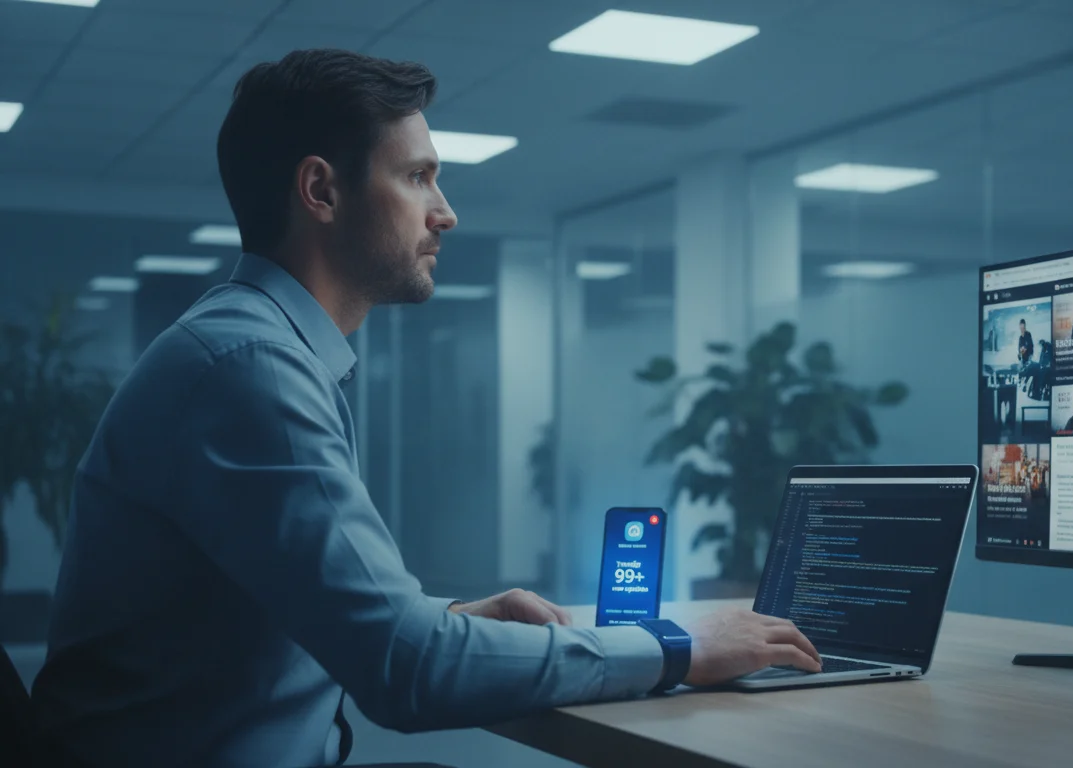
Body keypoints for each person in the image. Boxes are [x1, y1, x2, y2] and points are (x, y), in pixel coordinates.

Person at [29, 50, 821, 768]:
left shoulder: (256, 350)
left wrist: (450, 616)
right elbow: (407, 672)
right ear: (320, 190)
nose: (445, 212)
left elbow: (311, 610)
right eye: (416, 177)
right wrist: (675, 646)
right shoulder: (250, 369)